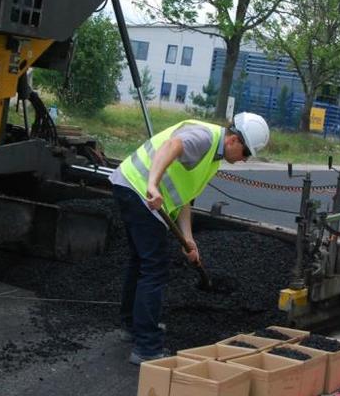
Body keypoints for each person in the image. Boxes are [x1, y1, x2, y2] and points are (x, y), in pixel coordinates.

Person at [110, 112, 270, 365]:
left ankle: (132, 326)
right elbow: (171, 146)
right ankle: (147, 347)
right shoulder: (204, 138)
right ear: (234, 141)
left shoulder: (214, 159)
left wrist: (188, 238)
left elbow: (184, 197)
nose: (244, 159)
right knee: (154, 269)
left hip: (130, 186)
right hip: (140, 190)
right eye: (246, 153)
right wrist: (152, 185)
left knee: (141, 262)